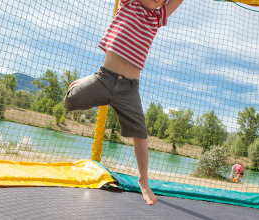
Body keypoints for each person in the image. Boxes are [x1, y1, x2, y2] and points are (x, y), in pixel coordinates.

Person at [64, 0, 184, 206]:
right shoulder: (129, 3)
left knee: (140, 133)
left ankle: (143, 181)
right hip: (104, 78)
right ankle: (90, 87)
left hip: (128, 89)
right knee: (70, 100)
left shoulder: (157, 17)